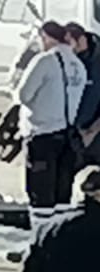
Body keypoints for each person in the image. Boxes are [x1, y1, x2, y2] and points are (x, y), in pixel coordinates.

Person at [18, 22, 88, 230]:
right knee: (61, 197)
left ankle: (39, 243)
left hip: (42, 135)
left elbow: (23, 95)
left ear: (47, 37)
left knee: (41, 197)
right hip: (67, 136)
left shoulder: (45, 61)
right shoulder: (78, 65)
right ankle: (59, 240)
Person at [69, 24, 100, 166]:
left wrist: (93, 131)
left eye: (70, 43)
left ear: (81, 40)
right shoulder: (69, 61)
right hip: (73, 132)